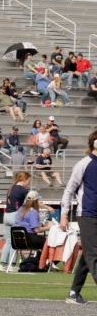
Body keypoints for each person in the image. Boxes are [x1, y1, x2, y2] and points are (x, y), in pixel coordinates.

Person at [59, 130, 97, 304]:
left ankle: (74, 293)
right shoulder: (84, 164)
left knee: (88, 254)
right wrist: (64, 215)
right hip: (88, 214)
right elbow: (69, 190)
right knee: (94, 254)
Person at [0, 171, 32, 271]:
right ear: (24, 179)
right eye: (28, 181)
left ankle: (3, 264)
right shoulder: (22, 190)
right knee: (15, 242)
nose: (29, 183)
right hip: (15, 215)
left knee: (8, 242)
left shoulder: (11, 188)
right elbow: (33, 201)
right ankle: (12, 265)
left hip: (6, 215)